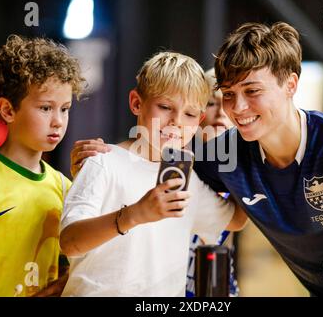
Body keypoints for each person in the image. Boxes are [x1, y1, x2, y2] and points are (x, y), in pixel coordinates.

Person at [72, 22, 323, 297]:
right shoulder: (226, 154)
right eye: (228, 95)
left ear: (291, 84)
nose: (238, 108)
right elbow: (148, 165)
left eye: (253, 91)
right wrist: (102, 156)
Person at [59, 51, 248, 297]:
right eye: (165, 107)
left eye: (189, 114)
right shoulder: (102, 162)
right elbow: (70, 242)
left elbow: (235, 219)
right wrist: (134, 214)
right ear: (137, 103)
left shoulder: (188, 181)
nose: (177, 121)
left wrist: (254, 151)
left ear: (199, 119)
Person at [0, 35, 85, 296]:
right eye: (46, 108)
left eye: (65, 109)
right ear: (7, 110)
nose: (58, 121)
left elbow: (75, 268)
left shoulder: (65, 188)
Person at [186, 68, 238, 297]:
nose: (220, 113)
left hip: (213, 284)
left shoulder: (241, 169)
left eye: (227, 98)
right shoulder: (171, 158)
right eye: (210, 103)